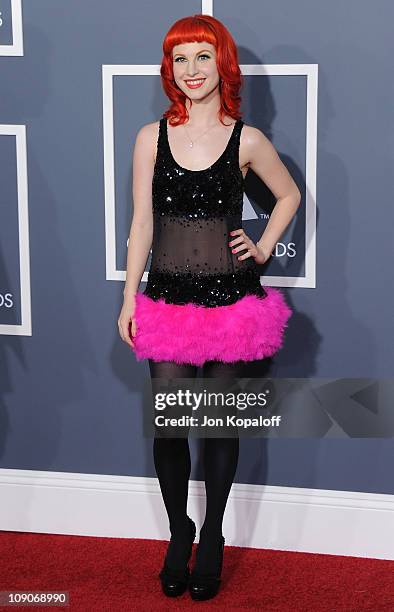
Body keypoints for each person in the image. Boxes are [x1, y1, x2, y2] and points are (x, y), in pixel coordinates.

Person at [118, 14, 301, 601]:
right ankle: (180, 532)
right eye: (180, 59)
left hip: (230, 306)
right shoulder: (151, 137)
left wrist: (264, 244)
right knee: (170, 431)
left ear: (221, 64)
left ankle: (215, 536)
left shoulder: (246, 139)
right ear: (168, 70)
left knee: (219, 430)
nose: (191, 71)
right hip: (167, 302)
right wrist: (129, 297)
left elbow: (289, 194)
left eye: (202, 57)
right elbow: (141, 223)